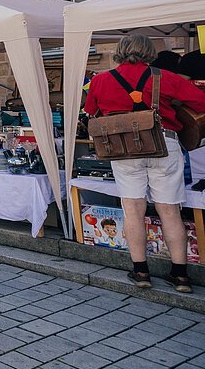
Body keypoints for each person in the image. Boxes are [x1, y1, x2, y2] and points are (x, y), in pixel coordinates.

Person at [84, 33, 205, 293]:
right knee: (170, 211)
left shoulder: (101, 80)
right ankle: (180, 275)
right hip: (164, 144)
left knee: (133, 209)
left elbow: (92, 110)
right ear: (149, 52)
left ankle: (141, 271)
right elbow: (201, 101)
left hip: (123, 147)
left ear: (120, 51)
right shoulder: (165, 77)